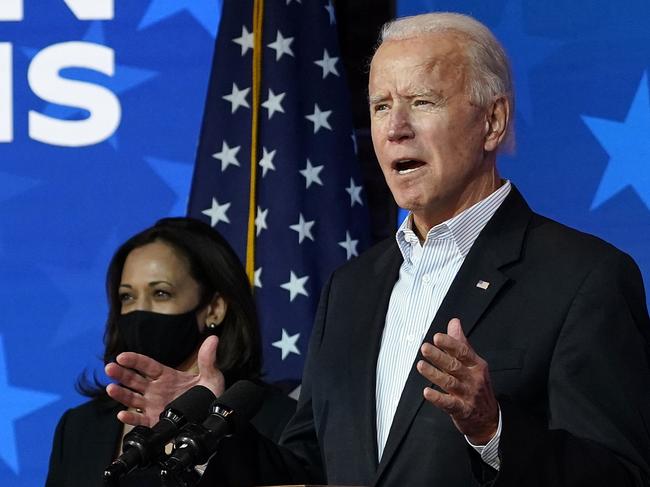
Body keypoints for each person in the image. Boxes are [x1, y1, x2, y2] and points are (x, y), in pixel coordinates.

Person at [114, 12, 650, 487]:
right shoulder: (351, 288)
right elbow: (307, 470)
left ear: (493, 122)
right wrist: (201, 431)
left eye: (422, 102)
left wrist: (494, 429)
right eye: (380, 106)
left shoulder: (585, 279)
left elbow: (620, 474)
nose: (395, 129)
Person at [45, 217, 296, 487]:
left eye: (161, 293)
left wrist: (207, 428)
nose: (140, 310)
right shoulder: (79, 427)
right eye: (127, 297)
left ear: (214, 308)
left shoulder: (281, 420)